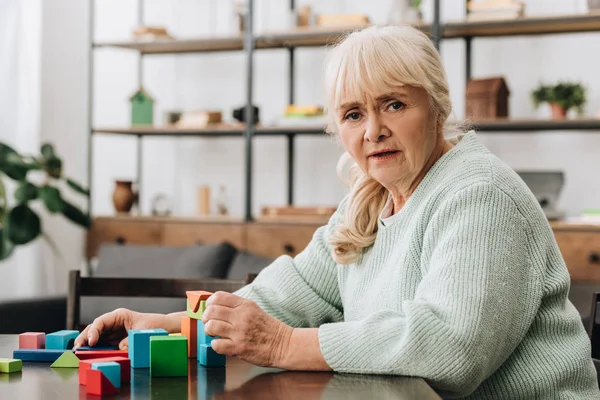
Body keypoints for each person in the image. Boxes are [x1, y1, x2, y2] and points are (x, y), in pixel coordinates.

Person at [74, 24, 600, 398]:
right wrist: (171, 326)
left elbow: (451, 350)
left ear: (437, 107)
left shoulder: (480, 195)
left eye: (394, 103)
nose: (373, 130)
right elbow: (289, 294)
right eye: (354, 113)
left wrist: (282, 344)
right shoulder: (368, 199)